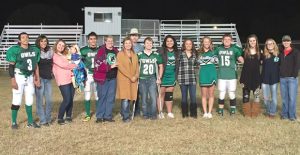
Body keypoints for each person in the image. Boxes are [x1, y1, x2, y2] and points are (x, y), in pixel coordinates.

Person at [6, 32, 41, 129]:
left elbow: (36, 65)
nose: (25, 39)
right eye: (23, 37)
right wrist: (13, 80)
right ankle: (14, 122)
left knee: (29, 99)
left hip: (30, 77)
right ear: (19, 40)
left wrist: (37, 77)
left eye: (27, 37)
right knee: (16, 100)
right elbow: (11, 66)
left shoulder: (34, 49)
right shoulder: (15, 50)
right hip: (19, 77)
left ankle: (30, 122)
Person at [214, 34, 244, 116]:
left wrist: (246, 62)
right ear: (222, 40)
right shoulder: (218, 49)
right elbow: (212, 55)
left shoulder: (235, 49)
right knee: (221, 93)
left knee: (231, 93)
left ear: (231, 41)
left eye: (228, 39)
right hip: (221, 75)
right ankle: (220, 110)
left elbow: (241, 59)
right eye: (225, 39)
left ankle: (233, 110)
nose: (227, 41)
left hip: (232, 75)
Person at [93, 35, 119, 123]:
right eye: (108, 41)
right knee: (102, 97)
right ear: (105, 41)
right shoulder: (101, 51)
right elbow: (97, 65)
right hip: (103, 78)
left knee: (111, 98)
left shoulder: (116, 51)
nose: (110, 42)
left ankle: (108, 116)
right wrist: (110, 66)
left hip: (113, 78)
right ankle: (100, 116)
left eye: (112, 41)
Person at [137, 37, 163, 120]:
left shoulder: (156, 55)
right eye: (147, 43)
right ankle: (145, 114)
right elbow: (136, 66)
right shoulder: (139, 55)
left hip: (152, 78)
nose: (149, 45)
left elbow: (161, 66)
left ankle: (153, 114)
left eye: (150, 43)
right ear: (144, 44)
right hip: (142, 78)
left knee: (153, 97)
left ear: (152, 44)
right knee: (144, 98)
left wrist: (159, 77)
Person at [52, 39, 77, 125]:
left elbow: (73, 59)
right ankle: (60, 117)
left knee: (71, 99)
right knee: (67, 99)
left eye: (63, 45)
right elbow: (64, 65)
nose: (61, 47)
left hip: (71, 79)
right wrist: (75, 66)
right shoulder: (54, 55)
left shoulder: (66, 54)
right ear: (56, 45)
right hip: (63, 80)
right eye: (59, 45)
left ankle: (69, 116)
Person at [116, 37, 139, 122]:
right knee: (125, 97)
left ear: (132, 44)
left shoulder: (134, 54)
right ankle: (125, 117)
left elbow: (137, 66)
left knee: (130, 97)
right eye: (126, 43)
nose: (128, 45)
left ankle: (124, 112)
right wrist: (131, 77)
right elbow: (121, 68)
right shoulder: (120, 54)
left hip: (133, 79)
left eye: (129, 43)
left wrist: (136, 76)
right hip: (124, 79)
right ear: (123, 45)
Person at [157, 35, 179, 119]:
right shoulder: (161, 50)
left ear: (174, 42)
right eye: (167, 41)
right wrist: (158, 76)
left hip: (172, 76)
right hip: (163, 76)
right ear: (165, 42)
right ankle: (160, 112)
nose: (169, 42)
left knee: (169, 95)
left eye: (171, 41)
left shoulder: (177, 52)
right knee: (161, 94)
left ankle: (169, 112)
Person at [240, 34, 262, 117]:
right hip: (246, 78)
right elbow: (237, 57)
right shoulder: (244, 51)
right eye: (250, 41)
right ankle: (247, 113)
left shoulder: (260, 52)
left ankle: (255, 113)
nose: (252, 42)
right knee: (246, 96)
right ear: (248, 42)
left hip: (256, 78)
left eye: (254, 40)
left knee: (256, 96)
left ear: (256, 41)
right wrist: (241, 79)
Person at [279, 35, 300, 121]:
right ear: (282, 42)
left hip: (292, 78)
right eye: (284, 41)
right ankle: (284, 115)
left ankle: (291, 115)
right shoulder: (280, 52)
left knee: (292, 98)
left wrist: (294, 75)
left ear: (290, 42)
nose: (286, 42)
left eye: (287, 41)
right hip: (282, 78)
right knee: (284, 98)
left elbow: (297, 64)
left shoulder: (295, 52)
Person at [80, 32, 99, 121]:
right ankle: (88, 114)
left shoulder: (100, 49)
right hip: (88, 75)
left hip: (98, 75)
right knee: (87, 95)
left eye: (94, 39)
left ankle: (99, 113)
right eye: (91, 39)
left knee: (97, 95)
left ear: (96, 40)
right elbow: (78, 61)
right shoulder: (83, 50)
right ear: (88, 40)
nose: (93, 41)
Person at [35, 34, 53, 126]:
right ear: (38, 42)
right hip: (40, 78)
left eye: (45, 41)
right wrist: (37, 79)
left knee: (49, 100)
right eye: (41, 41)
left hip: (48, 79)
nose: (43, 43)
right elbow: (35, 66)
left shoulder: (50, 51)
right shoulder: (36, 51)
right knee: (39, 101)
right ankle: (43, 120)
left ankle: (48, 118)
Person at [197, 36, 217, 119]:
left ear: (210, 43)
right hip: (203, 74)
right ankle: (205, 112)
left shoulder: (214, 52)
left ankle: (209, 112)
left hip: (212, 74)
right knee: (204, 95)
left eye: (208, 42)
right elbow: (197, 64)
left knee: (211, 94)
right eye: (205, 41)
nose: (207, 43)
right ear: (202, 43)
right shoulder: (198, 52)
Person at [178, 39, 198, 118]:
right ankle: (184, 114)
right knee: (184, 97)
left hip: (192, 79)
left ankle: (193, 114)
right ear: (184, 45)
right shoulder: (180, 54)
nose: (188, 45)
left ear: (192, 45)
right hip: (182, 78)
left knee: (193, 97)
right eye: (187, 44)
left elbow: (197, 64)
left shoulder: (194, 54)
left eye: (190, 44)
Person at [261, 38, 280, 118]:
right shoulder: (264, 55)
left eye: (271, 43)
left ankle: (272, 113)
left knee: (274, 98)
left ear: (274, 44)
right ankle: (269, 110)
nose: (270, 45)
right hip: (265, 79)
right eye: (268, 44)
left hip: (274, 79)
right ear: (266, 46)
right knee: (265, 99)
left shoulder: (279, 55)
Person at [128, 28, 144, 117]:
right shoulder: (127, 45)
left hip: (138, 71)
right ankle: (127, 109)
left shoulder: (141, 47)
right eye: (133, 35)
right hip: (129, 71)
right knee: (129, 92)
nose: (134, 37)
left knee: (137, 92)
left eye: (136, 35)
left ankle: (137, 110)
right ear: (130, 36)